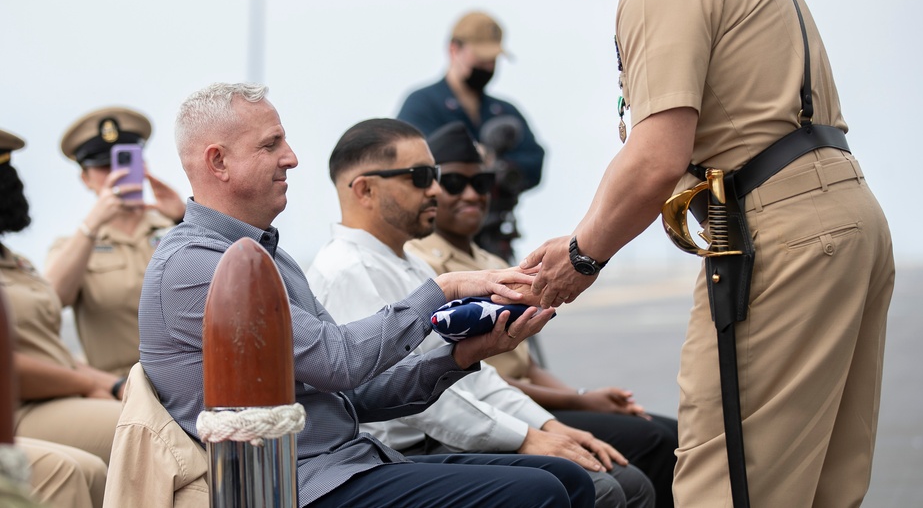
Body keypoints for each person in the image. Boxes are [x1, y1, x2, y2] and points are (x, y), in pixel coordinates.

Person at [513, 0, 896, 507]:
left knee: (727, 485)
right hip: (842, 218)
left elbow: (656, 155)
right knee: (821, 488)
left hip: (780, 237)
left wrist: (581, 254)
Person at [139, 82, 595, 508]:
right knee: (540, 493)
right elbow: (338, 363)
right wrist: (442, 289)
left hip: (347, 462)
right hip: (302, 484)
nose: (292, 158)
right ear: (218, 162)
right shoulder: (200, 264)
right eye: (270, 144)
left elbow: (354, 394)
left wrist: (461, 356)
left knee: (567, 480)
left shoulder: (266, 254)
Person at [306, 118, 653, 508]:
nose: (435, 189)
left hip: (447, 435)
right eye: (421, 176)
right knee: (605, 488)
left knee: (620, 476)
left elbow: (473, 379)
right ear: (365, 190)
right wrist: (525, 436)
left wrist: (547, 425)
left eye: (435, 175)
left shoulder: (403, 265)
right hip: (413, 448)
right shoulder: (346, 271)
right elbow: (410, 404)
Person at [407, 121, 678, 508]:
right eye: (453, 184)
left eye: (482, 183)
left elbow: (527, 364)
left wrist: (582, 396)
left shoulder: (490, 261)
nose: (472, 194)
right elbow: (471, 381)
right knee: (650, 450)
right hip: (495, 408)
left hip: (528, 400)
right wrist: (578, 402)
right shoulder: (427, 269)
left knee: (664, 433)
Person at [0, 129, 122, 477]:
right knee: (149, 433)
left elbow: (49, 350)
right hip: (17, 407)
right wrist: (92, 385)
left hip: (57, 396)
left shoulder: (15, 261)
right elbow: (10, 368)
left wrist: (114, 385)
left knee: (155, 418)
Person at [43, 107, 185, 378]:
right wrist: (92, 225)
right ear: (85, 178)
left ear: (142, 166)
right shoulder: (72, 246)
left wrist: (184, 217)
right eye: (103, 166)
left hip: (187, 379)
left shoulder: (176, 229)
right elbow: (50, 303)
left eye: (124, 162)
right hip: (120, 389)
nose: (114, 174)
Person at [397, 10, 546, 262]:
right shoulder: (422, 105)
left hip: (494, 237)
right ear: (454, 50)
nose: (487, 67)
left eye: (492, 60)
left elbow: (535, 161)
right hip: (435, 242)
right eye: (481, 58)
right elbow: (411, 164)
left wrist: (501, 169)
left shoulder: (504, 112)